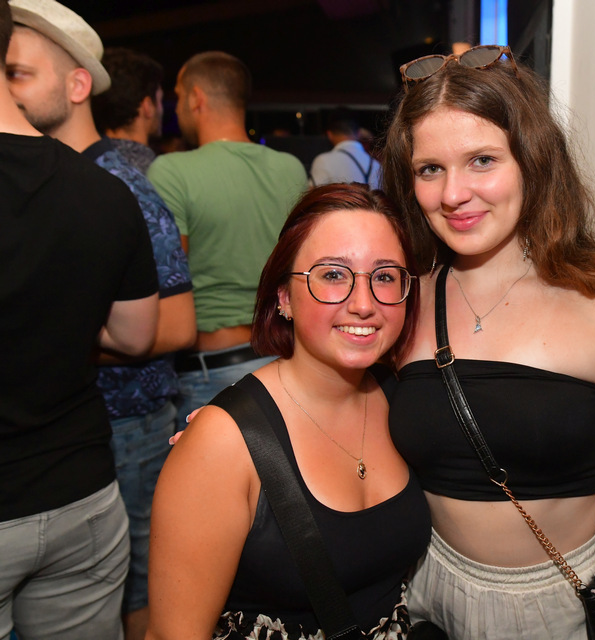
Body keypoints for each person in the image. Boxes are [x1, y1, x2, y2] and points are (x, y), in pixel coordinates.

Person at [381, 45, 595, 638]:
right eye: (430, 169)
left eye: (482, 160)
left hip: (561, 606)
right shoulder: (402, 300)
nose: (453, 193)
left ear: (532, 160)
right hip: (425, 594)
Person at [146, 184, 432, 640]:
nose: (364, 303)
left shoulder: (401, 397)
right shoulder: (223, 442)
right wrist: (215, 444)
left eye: (384, 277)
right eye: (333, 274)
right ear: (283, 297)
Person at [5, 4, 195, 637]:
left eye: (20, 73)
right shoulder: (57, 178)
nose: (10, 89)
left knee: (140, 589)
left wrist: (54, 335)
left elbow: (176, 324)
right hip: (80, 441)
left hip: (126, 425)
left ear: (77, 84)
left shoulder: (120, 183)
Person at [147, 51, 308, 427]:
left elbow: (167, 282)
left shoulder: (170, 171)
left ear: (195, 98)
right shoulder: (290, 168)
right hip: (283, 359)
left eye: (178, 97)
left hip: (211, 372)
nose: (176, 110)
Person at [91, 47, 165, 175]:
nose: (161, 109)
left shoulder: (84, 165)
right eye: (160, 100)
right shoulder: (159, 173)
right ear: (147, 107)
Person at [310, 106, 382, 189]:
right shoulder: (376, 165)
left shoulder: (323, 161)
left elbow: (313, 195)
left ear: (329, 134)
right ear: (359, 133)